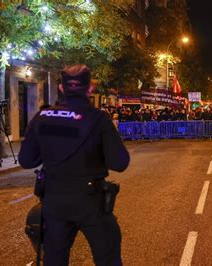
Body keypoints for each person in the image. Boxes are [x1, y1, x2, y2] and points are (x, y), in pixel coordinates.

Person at [18, 64, 130, 265]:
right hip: (91, 201)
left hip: (54, 201)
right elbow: (120, 163)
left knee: (54, 259)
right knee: (108, 258)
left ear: (62, 88)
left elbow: (27, 160)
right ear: (90, 88)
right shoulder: (98, 119)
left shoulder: (42, 117)